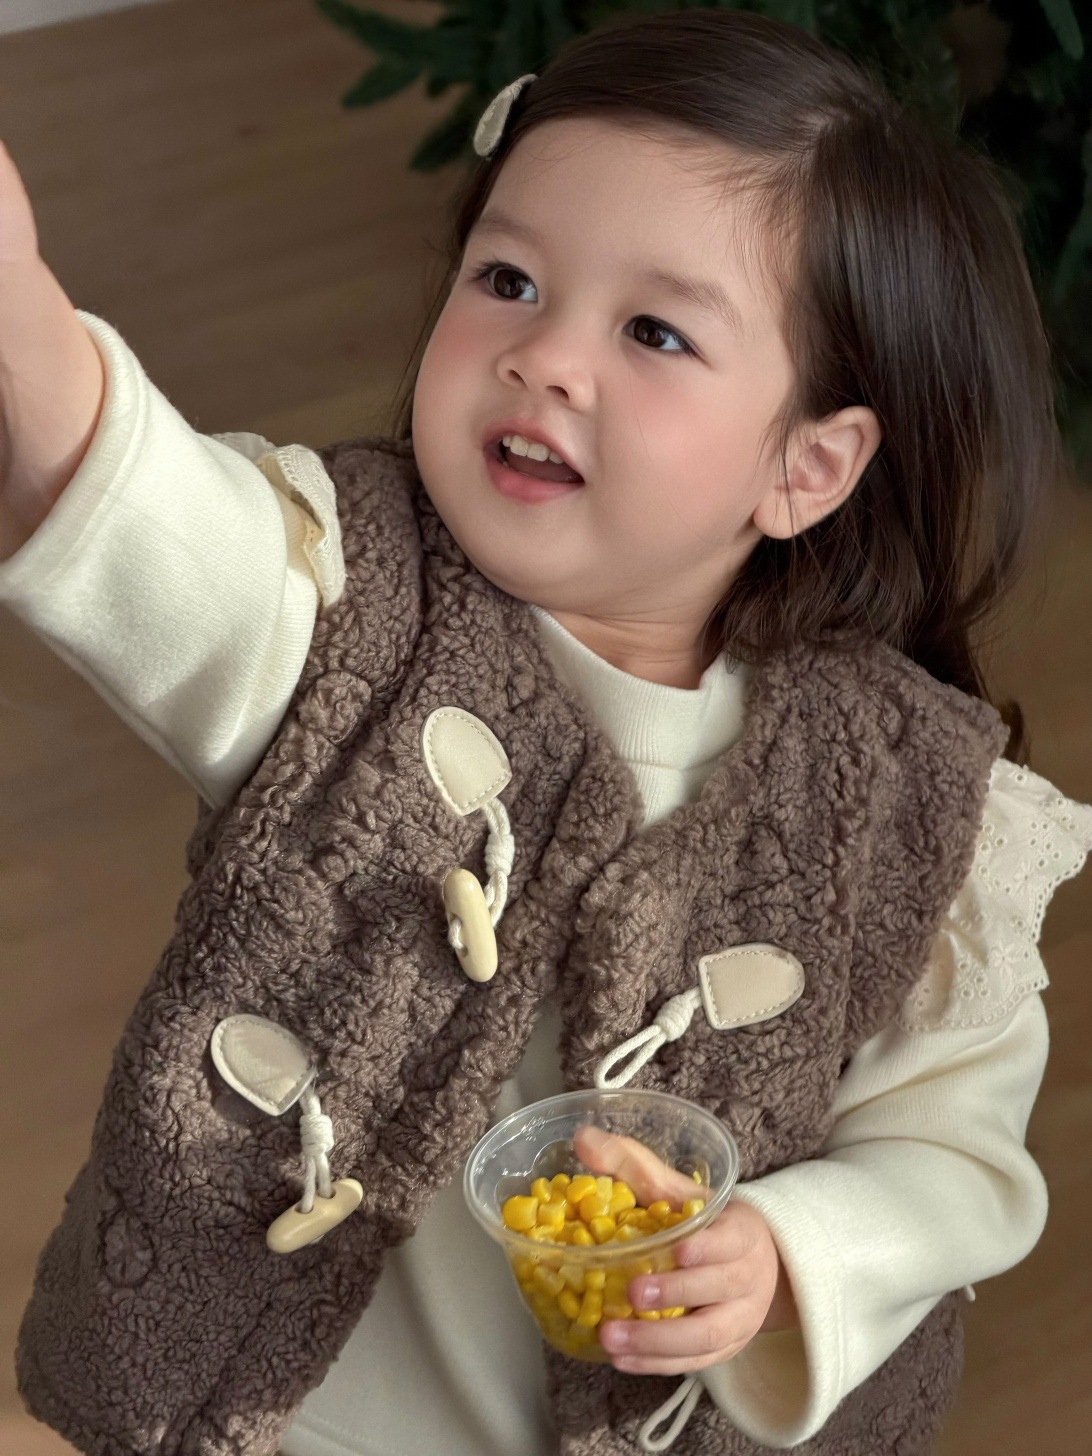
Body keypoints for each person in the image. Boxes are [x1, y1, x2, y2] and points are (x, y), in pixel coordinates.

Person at [4, 10, 1091, 1456]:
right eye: (507, 279)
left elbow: (956, 1159)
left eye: (655, 331)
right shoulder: (334, 616)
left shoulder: (907, 806)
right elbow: (114, 492)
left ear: (805, 466)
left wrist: (784, 1255)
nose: (546, 358)